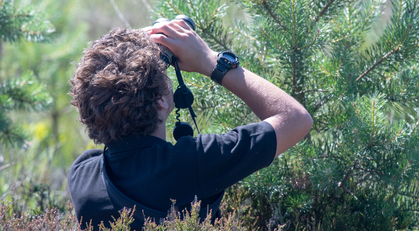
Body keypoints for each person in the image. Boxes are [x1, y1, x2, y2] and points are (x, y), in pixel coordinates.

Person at [68, 19, 313, 230]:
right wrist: (210, 61)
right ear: (161, 102)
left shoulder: (83, 177)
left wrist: (125, 49)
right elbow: (296, 118)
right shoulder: (193, 163)